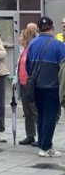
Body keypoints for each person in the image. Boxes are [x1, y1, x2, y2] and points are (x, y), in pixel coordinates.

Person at [25, 16, 65, 157]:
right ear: (53, 27)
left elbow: (27, 66)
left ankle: (42, 144)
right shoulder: (58, 45)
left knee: (41, 115)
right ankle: (46, 147)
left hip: (35, 86)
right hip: (52, 87)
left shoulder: (32, 43)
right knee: (50, 117)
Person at [14, 27, 38, 146]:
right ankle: (30, 135)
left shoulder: (31, 50)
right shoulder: (23, 50)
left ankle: (42, 135)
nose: (19, 39)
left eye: (21, 37)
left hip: (30, 84)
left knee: (35, 111)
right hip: (22, 84)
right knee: (27, 111)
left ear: (27, 38)